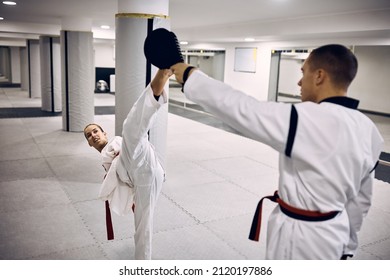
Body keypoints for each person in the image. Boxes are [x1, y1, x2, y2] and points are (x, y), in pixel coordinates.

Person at [171, 44, 384, 260]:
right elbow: (360, 201)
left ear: (319, 76)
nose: (300, 82)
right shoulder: (370, 130)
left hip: (301, 238)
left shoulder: (306, 119)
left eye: (303, 72)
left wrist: (189, 74)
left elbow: (242, 108)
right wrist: (348, 246)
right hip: (335, 232)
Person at [84, 69, 172, 260]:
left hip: (139, 159)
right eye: (89, 136)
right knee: (142, 226)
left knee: (130, 128)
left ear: (104, 133)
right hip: (139, 177)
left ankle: (163, 76)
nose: (93, 135)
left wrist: (120, 154)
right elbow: (121, 183)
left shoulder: (116, 141)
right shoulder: (105, 163)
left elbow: (129, 145)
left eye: (96, 131)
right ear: (89, 144)